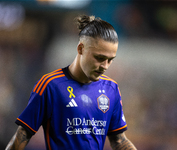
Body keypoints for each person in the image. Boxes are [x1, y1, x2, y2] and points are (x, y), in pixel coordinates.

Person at [6, 15, 137, 150]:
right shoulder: (51, 85)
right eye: (99, 58)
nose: (105, 66)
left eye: (110, 60)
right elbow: (23, 134)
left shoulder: (111, 88)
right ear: (81, 49)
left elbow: (119, 140)